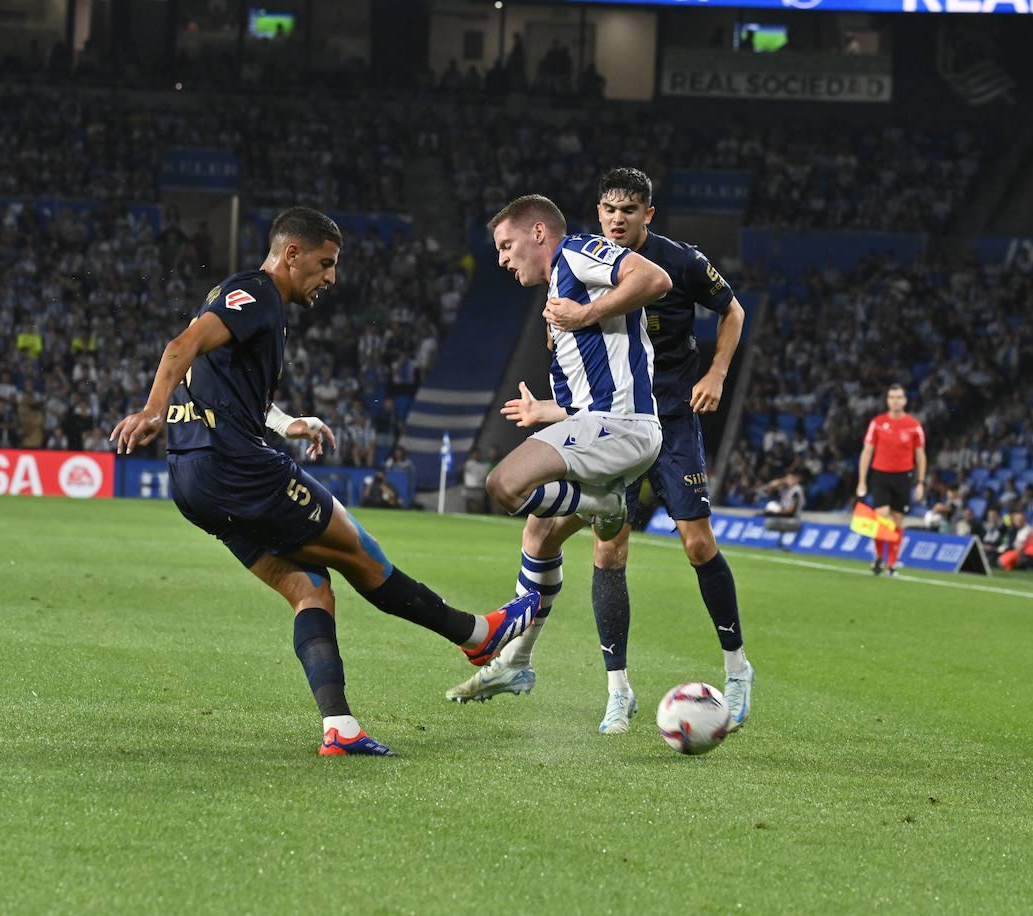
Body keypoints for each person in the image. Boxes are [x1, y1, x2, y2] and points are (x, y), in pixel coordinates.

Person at [109, 207, 538, 758]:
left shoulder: (236, 300)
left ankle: (340, 727)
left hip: (192, 480)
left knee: (309, 588)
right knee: (362, 553)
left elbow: (222, 383)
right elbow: (179, 347)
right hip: (238, 467)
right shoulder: (257, 293)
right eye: (325, 263)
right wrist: (151, 409)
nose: (331, 277)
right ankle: (477, 636)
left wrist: (287, 423)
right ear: (292, 254)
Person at [447, 172, 756, 735]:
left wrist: (715, 373)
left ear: (648, 214)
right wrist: (549, 409)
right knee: (557, 538)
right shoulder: (572, 283)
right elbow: (595, 379)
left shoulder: (645, 260)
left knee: (695, 542)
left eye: (628, 210)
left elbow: (714, 303)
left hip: (664, 416)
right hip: (610, 421)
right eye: (608, 209)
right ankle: (587, 682)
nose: (617, 219)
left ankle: (737, 669)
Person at [449, 191, 672, 735]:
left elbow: (654, 278)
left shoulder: (575, 253)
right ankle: (517, 662)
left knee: (503, 484)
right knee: (539, 534)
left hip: (622, 426)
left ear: (538, 233)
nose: (502, 259)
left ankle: (603, 505)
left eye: (507, 246)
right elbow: (587, 396)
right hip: (601, 424)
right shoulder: (556, 294)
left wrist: (585, 312)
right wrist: (544, 411)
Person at [856, 384, 927, 576]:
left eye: (898, 397)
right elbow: (867, 451)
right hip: (880, 475)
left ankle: (892, 563)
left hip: (904, 476)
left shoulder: (914, 425)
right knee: (881, 515)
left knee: (897, 520)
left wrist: (921, 482)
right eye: (891, 397)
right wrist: (862, 480)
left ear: (904, 400)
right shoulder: (877, 423)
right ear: (887, 400)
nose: (895, 401)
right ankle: (879, 557)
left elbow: (920, 455)